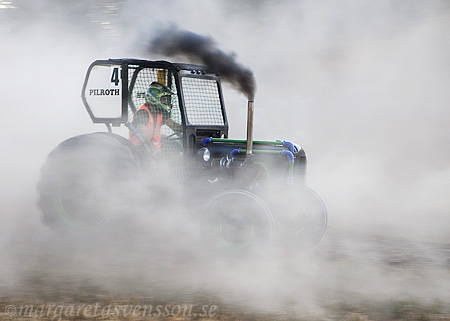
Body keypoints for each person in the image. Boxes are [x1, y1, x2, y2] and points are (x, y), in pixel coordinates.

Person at [129, 82, 181, 151]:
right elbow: (142, 135)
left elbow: (173, 125)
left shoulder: (160, 112)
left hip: (153, 148)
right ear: (154, 99)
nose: (166, 102)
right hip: (138, 150)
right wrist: (153, 150)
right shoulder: (143, 113)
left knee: (178, 147)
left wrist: (186, 130)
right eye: (163, 99)